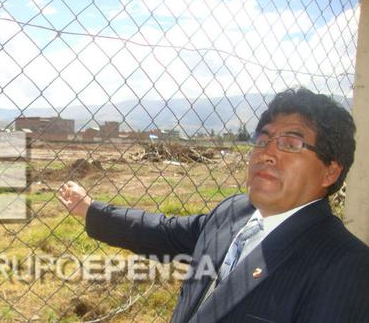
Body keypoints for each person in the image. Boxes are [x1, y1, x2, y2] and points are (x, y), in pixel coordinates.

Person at [58, 88, 368, 323]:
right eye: (262, 139)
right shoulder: (234, 212)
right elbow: (165, 233)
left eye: (290, 143)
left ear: (330, 170)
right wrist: (90, 210)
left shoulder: (346, 265)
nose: (266, 153)